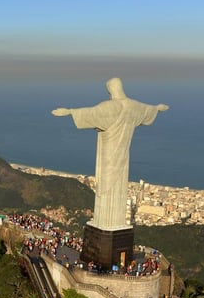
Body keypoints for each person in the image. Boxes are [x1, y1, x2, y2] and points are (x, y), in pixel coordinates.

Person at [52, 78, 168, 229]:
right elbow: (148, 110)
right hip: (123, 156)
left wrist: (69, 112)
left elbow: (92, 114)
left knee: (105, 187)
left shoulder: (111, 107)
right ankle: (111, 223)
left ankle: (105, 223)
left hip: (108, 155)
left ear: (111, 90)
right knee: (116, 185)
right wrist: (158, 108)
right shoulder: (134, 106)